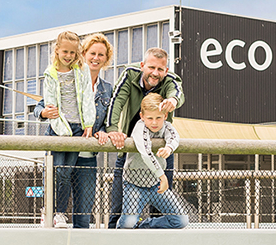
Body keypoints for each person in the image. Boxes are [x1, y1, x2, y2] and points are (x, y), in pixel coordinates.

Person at [106, 47, 184, 228]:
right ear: (142, 66)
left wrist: (173, 100)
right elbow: (116, 101)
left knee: (161, 210)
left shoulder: (170, 80)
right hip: (130, 154)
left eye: (160, 69)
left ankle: (152, 243)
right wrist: (112, 129)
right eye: (151, 67)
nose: (155, 73)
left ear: (166, 70)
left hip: (160, 153)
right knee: (118, 209)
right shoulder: (129, 74)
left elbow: (177, 93)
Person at [39, 31, 96, 228]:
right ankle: (50, 210)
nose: (69, 56)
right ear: (57, 50)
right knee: (56, 171)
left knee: (66, 172)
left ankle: (59, 212)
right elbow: (50, 104)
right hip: (58, 128)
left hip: (77, 128)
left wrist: (88, 123)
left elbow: (87, 97)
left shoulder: (82, 71)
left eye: (73, 52)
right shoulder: (50, 74)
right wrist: (53, 119)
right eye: (65, 51)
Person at [116, 93, 188, 229]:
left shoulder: (166, 126)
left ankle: (142, 226)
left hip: (156, 185)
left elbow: (174, 136)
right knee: (128, 224)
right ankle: (125, 227)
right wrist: (162, 176)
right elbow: (146, 153)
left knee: (181, 221)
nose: (154, 122)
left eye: (158, 118)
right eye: (150, 118)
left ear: (165, 116)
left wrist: (169, 147)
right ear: (142, 117)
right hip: (134, 185)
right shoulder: (139, 128)